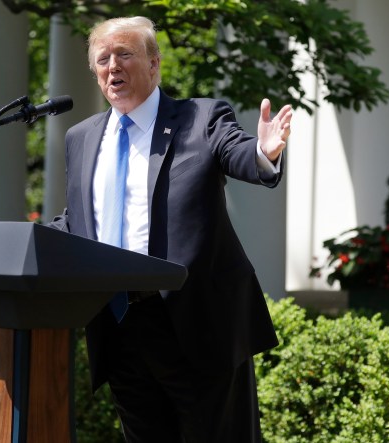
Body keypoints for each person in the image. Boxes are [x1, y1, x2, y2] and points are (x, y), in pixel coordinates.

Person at [50, 16, 293, 442]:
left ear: (154, 63)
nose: (113, 66)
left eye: (125, 54)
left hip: (195, 326)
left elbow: (238, 153)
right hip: (118, 325)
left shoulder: (200, 118)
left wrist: (262, 152)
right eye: (103, 58)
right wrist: (21, 242)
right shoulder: (81, 137)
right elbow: (79, 221)